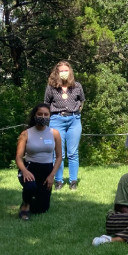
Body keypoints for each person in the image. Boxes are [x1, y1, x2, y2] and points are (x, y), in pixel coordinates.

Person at [15, 103, 62, 220]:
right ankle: (25, 205)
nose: (43, 116)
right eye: (40, 114)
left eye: (46, 114)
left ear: (50, 116)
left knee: (42, 209)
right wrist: (24, 171)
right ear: (34, 115)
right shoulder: (25, 134)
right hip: (30, 169)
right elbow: (18, 157)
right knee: (30, 187)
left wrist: (52, 176)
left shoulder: (54, 133)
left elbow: (59, 156)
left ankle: (33, 200)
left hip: (47, 172)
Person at [44, 60, 85, 190]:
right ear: (57, 72)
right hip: (56, 119)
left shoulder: (77, 86)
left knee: (73, 153)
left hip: (74, 120)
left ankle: (73, 181)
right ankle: (58, 181)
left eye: (66, 71)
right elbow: (46, 103)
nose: (64, 73)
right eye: (61, 71)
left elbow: (82, 100)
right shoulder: (51, 87)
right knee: (58, 153)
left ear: (70, 72)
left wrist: (77, 112)